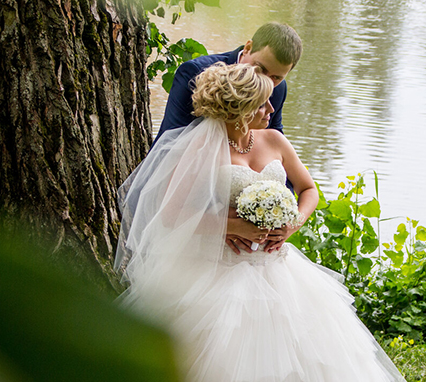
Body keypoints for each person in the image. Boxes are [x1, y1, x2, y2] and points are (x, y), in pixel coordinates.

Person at [115, 64, 406, 382]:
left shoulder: (274, 140)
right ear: (238, 108)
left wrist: (292, 224)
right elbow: (171, 213)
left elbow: (309, 190)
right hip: (219, 266)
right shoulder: (201, 147)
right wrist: (231, 227)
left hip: (277, 265)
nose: (271, 109)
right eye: (262, 103)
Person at [154, 22, 302, 143]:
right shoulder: (195, 73)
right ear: (248, 48)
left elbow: (275, 141)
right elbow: (171, 139)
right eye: (261, 68)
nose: (267, 80)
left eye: (276, 77)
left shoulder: (279, 88)